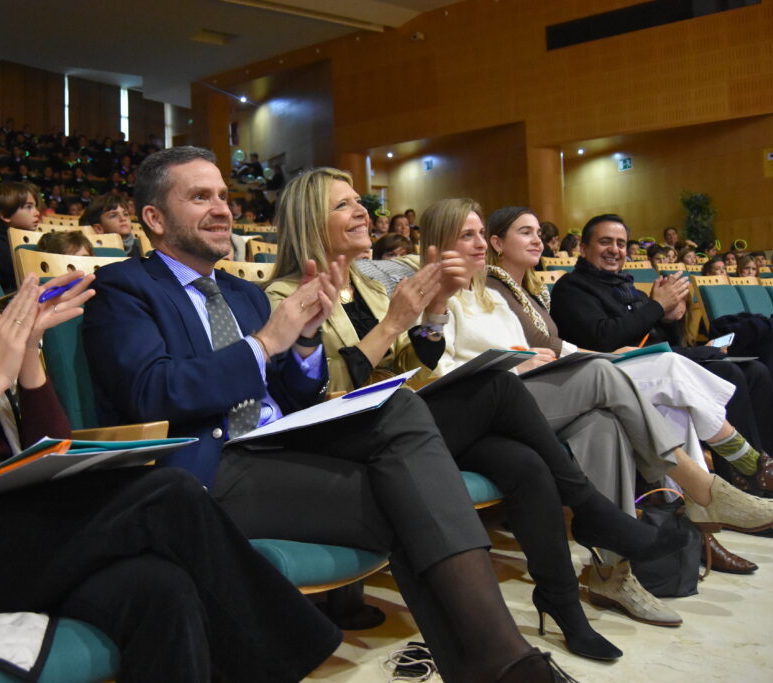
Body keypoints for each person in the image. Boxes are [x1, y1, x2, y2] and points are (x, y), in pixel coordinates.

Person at [0, 132, 339, 682]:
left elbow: (51, 447)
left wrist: (28, 363)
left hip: (8, 523)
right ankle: (303, 653)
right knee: (168, 492)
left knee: (160, 589)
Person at [84, 147, 578, 682]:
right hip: (207, 468)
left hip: (281, 447)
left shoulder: (244, 293)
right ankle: (505, 664)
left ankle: (502, 664)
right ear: (154, 218)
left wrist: (306, 340)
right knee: (418, 504)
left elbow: (295, 396)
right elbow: (150, 392)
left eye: (225, 195)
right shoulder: (123, 287)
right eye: (200, 196)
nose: (223, 208)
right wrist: (266, 342)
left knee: (403, 411)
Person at [264, 167, 697, 662]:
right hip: (354, 433)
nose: (363, 210)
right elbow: (323, 391)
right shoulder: (284, 295)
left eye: (360, 200)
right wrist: (393, 325)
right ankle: (591, 509)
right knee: (497, 385)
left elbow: (415, 361)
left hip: (404, 415)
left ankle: (562, 605)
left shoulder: (367, 285)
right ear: (309, 221)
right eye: (344, 205)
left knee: (525, 465)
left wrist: (433, 312)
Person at [550, 214, 773, 477]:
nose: (615, 250)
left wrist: (668, 319)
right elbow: (603, 337)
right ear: (584, 249)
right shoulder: (571, 288)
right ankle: (739, 479)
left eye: (621, 243)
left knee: (756, 372)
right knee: (728, 372)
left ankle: (772, 473)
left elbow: (664, 341)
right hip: (616, 374)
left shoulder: (628, 288)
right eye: (605, 242)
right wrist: (657, 307)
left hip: (660, 363)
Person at [0, 181, 42, 292]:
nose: (37, 213)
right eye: (29, 207)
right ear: (5, 215)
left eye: (35, 206)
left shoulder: (24, 239)